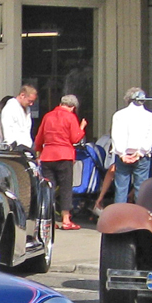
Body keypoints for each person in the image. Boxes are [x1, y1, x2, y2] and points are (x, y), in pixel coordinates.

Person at [34, 93, 88, 230]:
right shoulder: (70, 117)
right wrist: (81, 127)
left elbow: (39, 137)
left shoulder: (48, 116)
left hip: (48, 156)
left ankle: (48, 220)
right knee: (65, 188)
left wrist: (38, 152)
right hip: (64, 156)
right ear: (72, 107)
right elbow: (75, 138)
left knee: (49, 188)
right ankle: (65, 219)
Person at [109, 87, 152, 205]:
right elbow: (151, 136)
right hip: (142, 156)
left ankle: (119, 218)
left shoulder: (119, 115)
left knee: (121, 188)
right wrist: (141, 152)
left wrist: (122, 154)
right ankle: (140, 217)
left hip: (123, 156)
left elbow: (116, 135)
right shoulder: (150, 116)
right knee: (141, 189)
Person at [0, 84, 37, 151]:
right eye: (30, 101)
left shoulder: (27, 109)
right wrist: (13, 147)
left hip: (27, 148)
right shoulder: (10, 107)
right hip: (16, 149)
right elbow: (8, 129)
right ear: (22, 95)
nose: (31, 104)